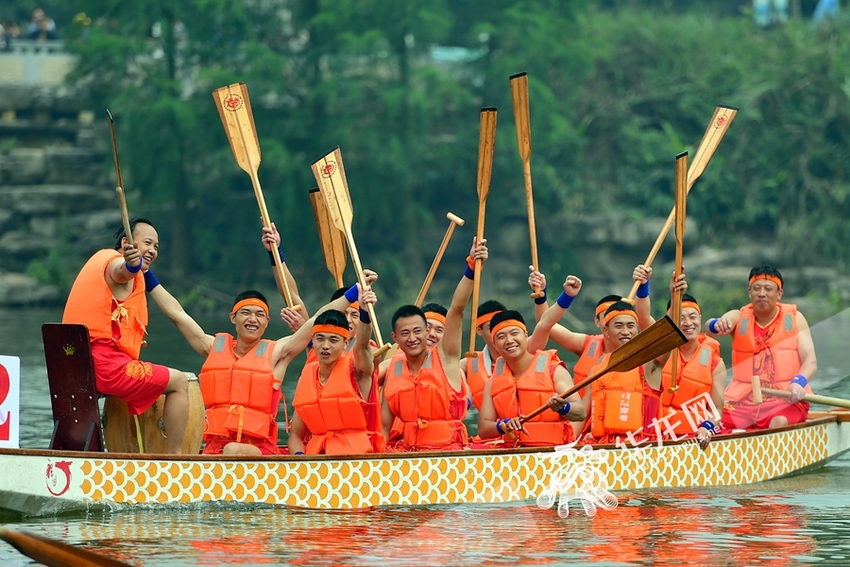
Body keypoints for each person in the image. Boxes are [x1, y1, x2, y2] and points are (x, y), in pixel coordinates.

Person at [147, 266, 365, 455]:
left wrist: (354, 293)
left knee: (231, 450)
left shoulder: (278, 352)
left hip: (259, 450)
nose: (253, 319)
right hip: (215, 448)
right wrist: (147, 276)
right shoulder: (212, 347)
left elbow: (317, 320)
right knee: (220, 449)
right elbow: (177, 314)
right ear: (233, 318)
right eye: (246, 313)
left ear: (267, 322)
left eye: (260, 314)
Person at [62, 218, 190, 454]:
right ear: (126, 243)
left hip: (76, 367)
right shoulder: (116, 265)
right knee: (180, 382)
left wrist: (137, 268)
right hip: (105, 368)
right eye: (147, 243)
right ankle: (177, 460)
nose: (152, 250)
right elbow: (121, 272)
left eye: (156, 247)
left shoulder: (99, 258)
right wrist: (131, 266)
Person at [381, 238, 487, 451]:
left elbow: (457, 308)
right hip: (409, 457)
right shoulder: (394, 368)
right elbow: (384, 428)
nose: (413, 338)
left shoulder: (446, 356)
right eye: (405, 333)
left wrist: (472, 267)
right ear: (395, 337)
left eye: (418, 331)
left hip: (450, 455)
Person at [477, 275, 587, 447]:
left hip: (554, 455)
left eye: (514, 333)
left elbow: (580, 413)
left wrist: (563, 407)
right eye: (501, 336)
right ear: (495, 346)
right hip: (516, 459)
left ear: (526, 335)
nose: (509, 340)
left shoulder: (553, 370)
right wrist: (503, 425)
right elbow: (483, 429)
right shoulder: (493, 382)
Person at [581, 271, 688, 445]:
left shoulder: (651, 363)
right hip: (603, 449)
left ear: (637, 330)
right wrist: (564, 408)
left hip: (642, 450)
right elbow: (580, 415)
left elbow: (669, 331)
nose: (626, 332)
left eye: (631, 326)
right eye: (619, 326)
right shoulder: (597, 370)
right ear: (606, 331)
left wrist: (676, 297)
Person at [706, 265, 817, 430]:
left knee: (778, 423)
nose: (762, 293)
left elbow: (811, 361)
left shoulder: (794, 319)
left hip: (785, 400)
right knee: (711, 424)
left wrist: (798, 383)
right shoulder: (738, 317)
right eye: (756, 288)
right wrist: (719, 323)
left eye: (768, 289)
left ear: (779, 294)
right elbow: (709, 327)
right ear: (749, 292)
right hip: (744, 403)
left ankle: (772, 451)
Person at [288, 286, 384, 455]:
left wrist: (364, 311)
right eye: (320, 339)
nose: (325, 346)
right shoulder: (308, 375)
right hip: (315, 461)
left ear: (345, 343)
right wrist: (300, 458)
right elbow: (295, 435)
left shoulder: (358, 371)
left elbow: (362, 345)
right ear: (312, 342)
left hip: (355, 461)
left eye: (333, 340)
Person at [465, 299, 506, 410]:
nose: (497, 331)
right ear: (479, 330)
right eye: (490, 327)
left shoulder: (528, 351)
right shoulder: (468, 363)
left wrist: (540, 299)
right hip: (490, 425)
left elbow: (545, 326)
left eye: (501, 324)